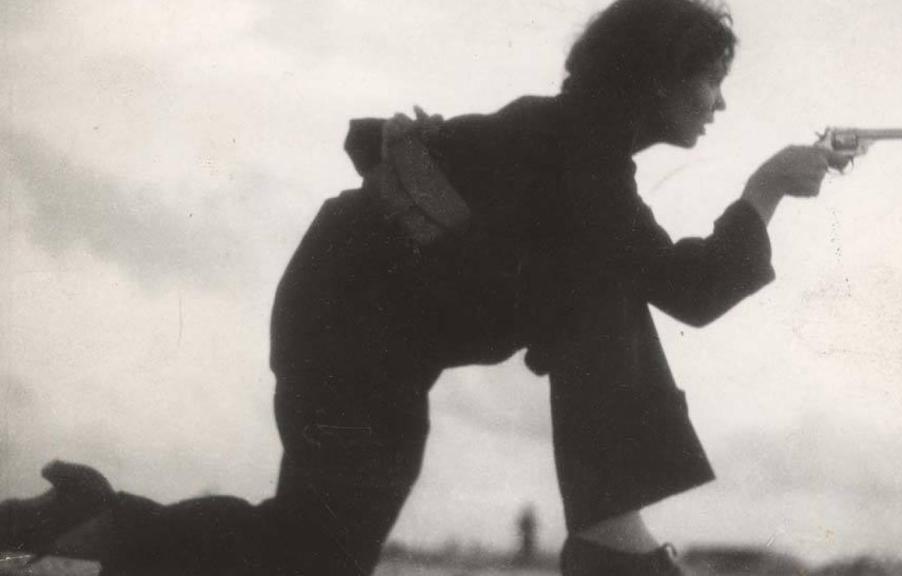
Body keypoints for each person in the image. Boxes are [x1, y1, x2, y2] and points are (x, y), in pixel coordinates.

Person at [0, 1, 844, 575]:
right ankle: (611, 543)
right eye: (711, 80)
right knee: (313, 553)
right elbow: (689, 290)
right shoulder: (582, 157)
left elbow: (633, 276)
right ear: (660, 77)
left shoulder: (575, 143)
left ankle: (96, 519)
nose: (720, 103)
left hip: (356, 324)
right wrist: (765, 188)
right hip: (352, 332)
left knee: (313, 548)